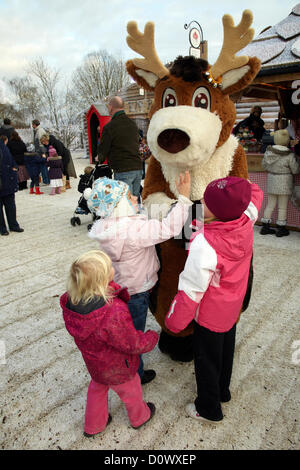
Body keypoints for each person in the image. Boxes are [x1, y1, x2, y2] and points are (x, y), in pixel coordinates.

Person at [165, 176, 263, 422]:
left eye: (206, 202)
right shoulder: (246, 218)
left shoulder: (205, 244)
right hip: (231, 308)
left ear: (216, 212)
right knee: (226, 349)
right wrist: (231, 188)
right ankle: (223, 391)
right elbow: (255, 192)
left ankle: (208, 408)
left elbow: (191, 291)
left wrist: (174, 322)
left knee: (206, 360)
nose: (202, 203)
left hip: (209, 314)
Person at [85, 171, 192, 384]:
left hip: (122, 287)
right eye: (130, 198)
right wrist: (184, 199)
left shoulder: (107, 227)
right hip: (138, 291)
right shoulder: (134, 230)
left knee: (127, 331)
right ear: (120, 207)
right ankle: (135, 374)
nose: (136, 198)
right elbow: (167, 228)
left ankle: (133, 368)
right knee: (133, 336)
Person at [60, 250, 158, 436]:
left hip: (95, 366)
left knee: (97, 390)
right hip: (119, 367)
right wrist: (150, 338)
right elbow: (130, 342)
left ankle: (93, 425)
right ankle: (140, 417)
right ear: (102, 279)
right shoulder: (113, 310)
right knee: (132, 390)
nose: (114, 268)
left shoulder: (71, 305)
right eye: (110, 267)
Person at [97, 96, 143, 196]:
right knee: (135, 201)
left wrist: (99, 158)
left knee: (125, 204)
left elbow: (103, 149)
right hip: (138, 168)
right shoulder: (133, 124)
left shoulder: (110, 127)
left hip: (123, 169)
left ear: (111, 107)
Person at [260, 129, 299, 237]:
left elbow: (264, 166)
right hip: (285, 182)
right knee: (282, 207)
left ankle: (265, 226)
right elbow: (295, 170)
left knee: (270, 204)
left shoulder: (268, 152)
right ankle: (281, 229)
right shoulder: (289, 155)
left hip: (272, 179)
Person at [0, 138, 24, 235]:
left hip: (8, 181)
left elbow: (10, 160)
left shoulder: (4, 147)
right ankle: (3, 227)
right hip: (5, 180)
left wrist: (14, 168)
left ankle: (13, 225)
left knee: (10, 205)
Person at [32, 120, 49, 184]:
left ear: (34, 124)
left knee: (43, 166)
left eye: (32, 124)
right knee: (43, 166)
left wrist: (42, 153)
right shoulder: (38, 130)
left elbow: (41, 143)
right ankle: (46, 180)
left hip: (41, 151)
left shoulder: (39, 131)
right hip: (40, 151)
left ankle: (46, 180)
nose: (32, 126)